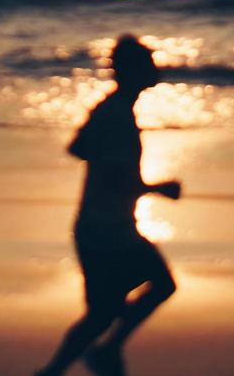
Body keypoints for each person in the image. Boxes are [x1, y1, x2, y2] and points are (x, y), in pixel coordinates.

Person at [34, 34, 182, 376]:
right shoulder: (115, 114)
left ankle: (68, 365)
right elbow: (113, 177)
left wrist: (104, 160)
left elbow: (78, 148)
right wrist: (159, 188)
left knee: (104, 313)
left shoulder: (111, 109)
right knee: (153, 288)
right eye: (148, 63)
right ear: (132, 71)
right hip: (107, 231)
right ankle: (96, 354)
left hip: (105, 226)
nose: (155, 69)